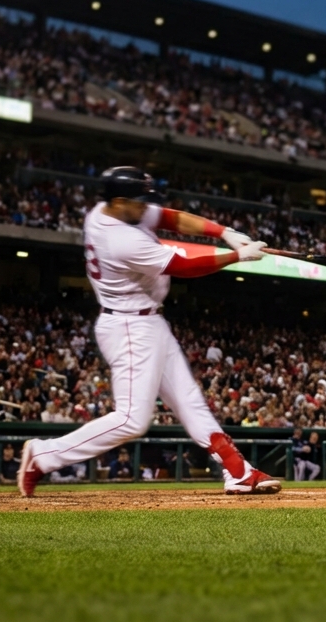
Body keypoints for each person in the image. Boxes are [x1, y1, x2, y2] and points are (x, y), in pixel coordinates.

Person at [17, 166, 281, 498]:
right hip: (128, 325)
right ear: (119, 201)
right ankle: (43, 456)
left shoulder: (109, 210)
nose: (145, 207)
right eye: (138, 201)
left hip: (149, 320)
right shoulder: (119, 238)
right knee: (131, 420)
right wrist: (237, 256)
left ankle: (238, 471)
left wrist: (223, 231)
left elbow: (171, 217)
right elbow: (181, 266)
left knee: (190, 402)